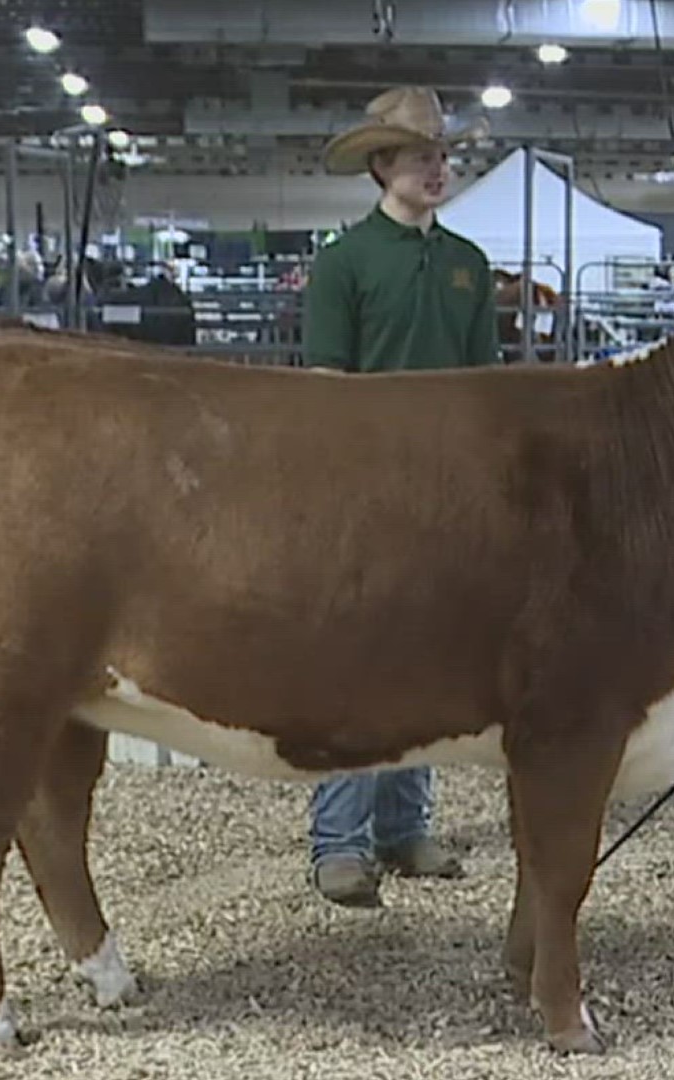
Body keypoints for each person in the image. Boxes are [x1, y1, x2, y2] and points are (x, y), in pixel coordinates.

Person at [299, 85, 498, 907]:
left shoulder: (469, 264)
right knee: (357, 664)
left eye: (444, 157)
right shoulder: (343, 262)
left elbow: (487, 387)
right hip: (368, 492)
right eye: (423, 157)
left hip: (450, 491)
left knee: (427, 665)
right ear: (382, 165)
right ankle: (337, 840)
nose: (438, 169)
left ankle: (405, 829)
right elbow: (323, 388)